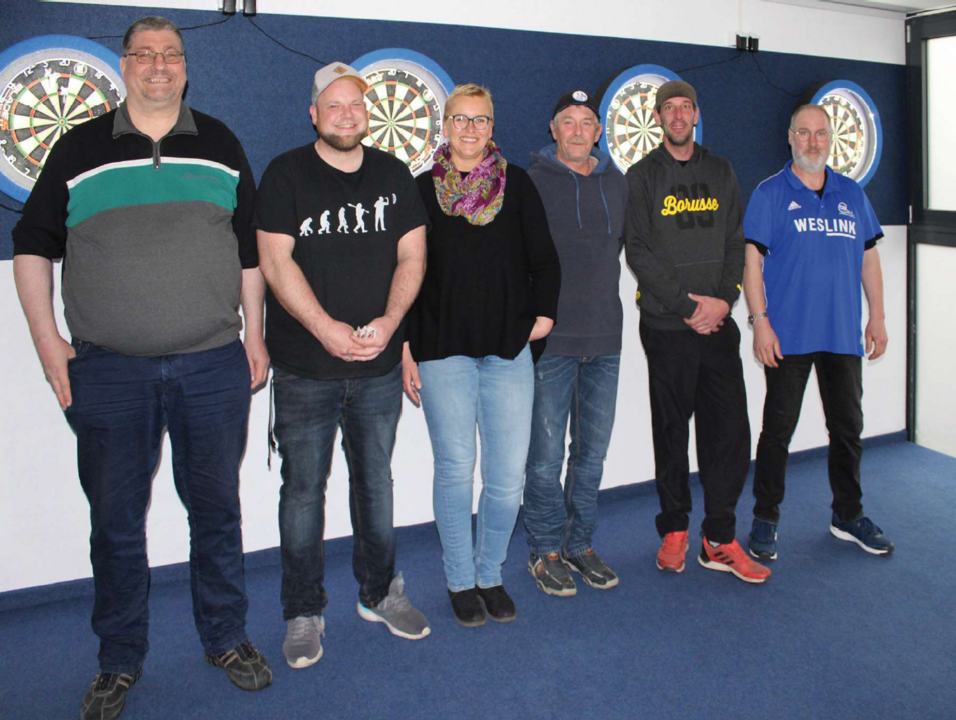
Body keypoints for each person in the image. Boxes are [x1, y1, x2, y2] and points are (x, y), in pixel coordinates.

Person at [12, 16, 272, 720]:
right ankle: (119, 659)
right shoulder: (78, 148)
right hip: (110, 371)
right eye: (145, 55)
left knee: (217, 511)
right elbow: (32, 246)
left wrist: (256, 335)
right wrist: (47, 343)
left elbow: (249, 250)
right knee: (117, 523)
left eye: (172, 55)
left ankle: (226, 637)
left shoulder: (219, 143)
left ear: (185, 67)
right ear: (123, 66)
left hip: (212, 366)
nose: (159, 65)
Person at [255, 61, 431, 670]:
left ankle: (379, 592)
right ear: (314, 113)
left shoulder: (392, 173)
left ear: (367, 110)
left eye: (355, 103)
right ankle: (303, 610)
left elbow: (413, 256)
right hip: (305, 368)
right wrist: (326, 330)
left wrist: (389, 323)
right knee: (303, 492)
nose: (346, 114)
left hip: (379, 367)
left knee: (375, 483)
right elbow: (276, 264)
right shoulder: (285, 174)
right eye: (333, 105)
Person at [402, 84, 561, 626]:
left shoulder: (517, 186)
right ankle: (459, 579)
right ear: (444, 126)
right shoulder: (421, 191)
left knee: (507, 477)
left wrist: (542, 318)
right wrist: (404, 345)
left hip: (507, 350)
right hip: (441, 347)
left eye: (480, 120)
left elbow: (546, 261)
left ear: (493, 127)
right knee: (455, 469)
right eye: (460, 120)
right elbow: (403, 273)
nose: (470, 130)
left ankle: (490, 573)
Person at [624, 80, 770, 584]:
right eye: (670, 108)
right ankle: (676, 529)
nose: (679, 115)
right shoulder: (642, 177)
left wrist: (723, 301)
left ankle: (720, 536)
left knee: (728, 432)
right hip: (667, 326)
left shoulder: (722, 171)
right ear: (659, 117)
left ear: (696, 114)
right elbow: (637, 252)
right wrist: (687, 306)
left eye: (686, 106)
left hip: (718, 325)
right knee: (671, 430)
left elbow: (737, 241)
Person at [742, 104, 894, 560]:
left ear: (831, 139)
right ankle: (765, 518)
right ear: (790, 138)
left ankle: (848, 515)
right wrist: (759, 321)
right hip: (787, 336)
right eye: (804, 134)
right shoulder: (770, 193)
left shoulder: (852, 193)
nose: (813, 142)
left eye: (821, 134)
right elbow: (752, 263)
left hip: (842, 335)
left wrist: (879, 316)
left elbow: (869, 257)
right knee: (777, 433)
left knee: (848, 428)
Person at [523, 90, 628, 596]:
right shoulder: (531, 182)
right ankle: (544, 550)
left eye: (587, 122)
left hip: (606, 337)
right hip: (551, 342)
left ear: (599, 132)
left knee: (591, 454)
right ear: (553, 129)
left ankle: (579, 544)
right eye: (568, 122)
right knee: (543, 456)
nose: (578, 130)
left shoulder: (618, 184)